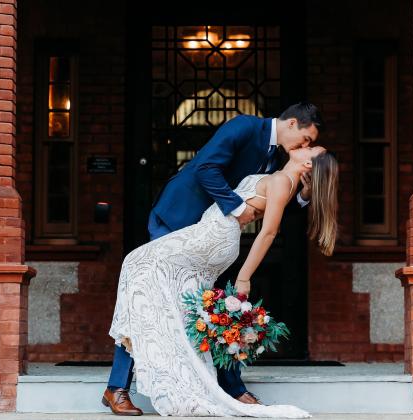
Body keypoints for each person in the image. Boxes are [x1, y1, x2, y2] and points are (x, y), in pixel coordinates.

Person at [103, 103, 331, 415]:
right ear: (292, 123)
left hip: (216, 236)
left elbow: (268, 206)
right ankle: (118, 386)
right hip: (181, 217)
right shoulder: (244, 127)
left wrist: (303, 196)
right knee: (151, 295)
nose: (304, 146)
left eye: (308, 145)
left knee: (201, 305)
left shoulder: (279, 156)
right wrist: (237, 209)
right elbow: (206, 168)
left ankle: (226, 386)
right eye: (305, 138)